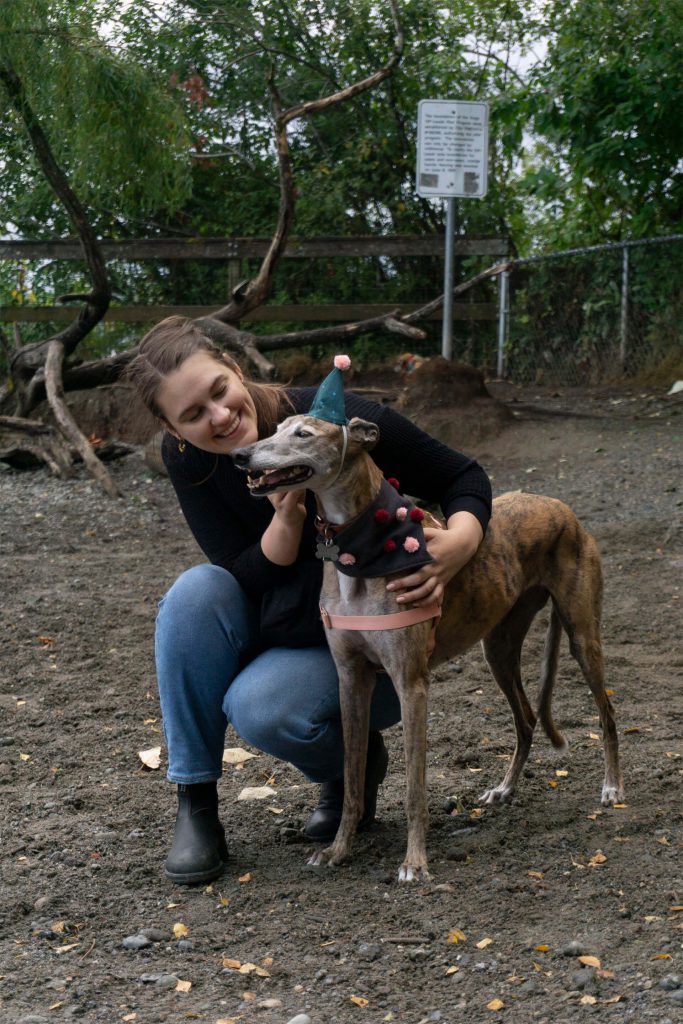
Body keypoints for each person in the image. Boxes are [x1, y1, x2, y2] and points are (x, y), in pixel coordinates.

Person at [125, 315, 492, 885]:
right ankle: (195, 802)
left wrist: (461, 544)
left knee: (262, 707)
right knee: (194, 593)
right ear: (173, 430)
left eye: (219, 392)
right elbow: (238, 574)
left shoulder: (335, 424)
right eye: (193, 415)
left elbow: (462, 475)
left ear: (236, 370)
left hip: (373, 645)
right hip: (290, 622)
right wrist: (286, 523)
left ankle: (353, 768)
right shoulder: (191, 460)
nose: (219, 417)